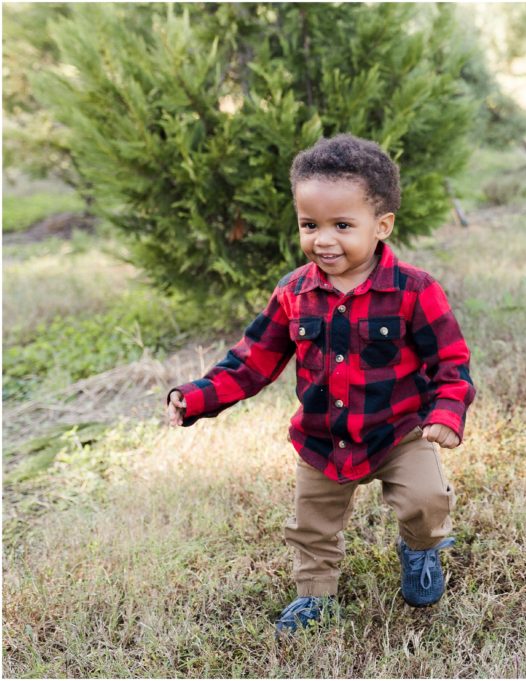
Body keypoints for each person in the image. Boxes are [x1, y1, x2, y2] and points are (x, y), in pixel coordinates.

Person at [165, 133, 475, 635]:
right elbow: (252, 359)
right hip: (323, 438)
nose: (323, 239)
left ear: (382, 225)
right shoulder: (295, 291)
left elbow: (451, 361)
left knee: (426, 501)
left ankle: (420, 549)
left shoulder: (415, 290)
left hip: (398, 431)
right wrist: (198, 396)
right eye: (310, 225)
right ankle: (316, 598)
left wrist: (445, 413)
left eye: (342, 225)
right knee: (311, 526)